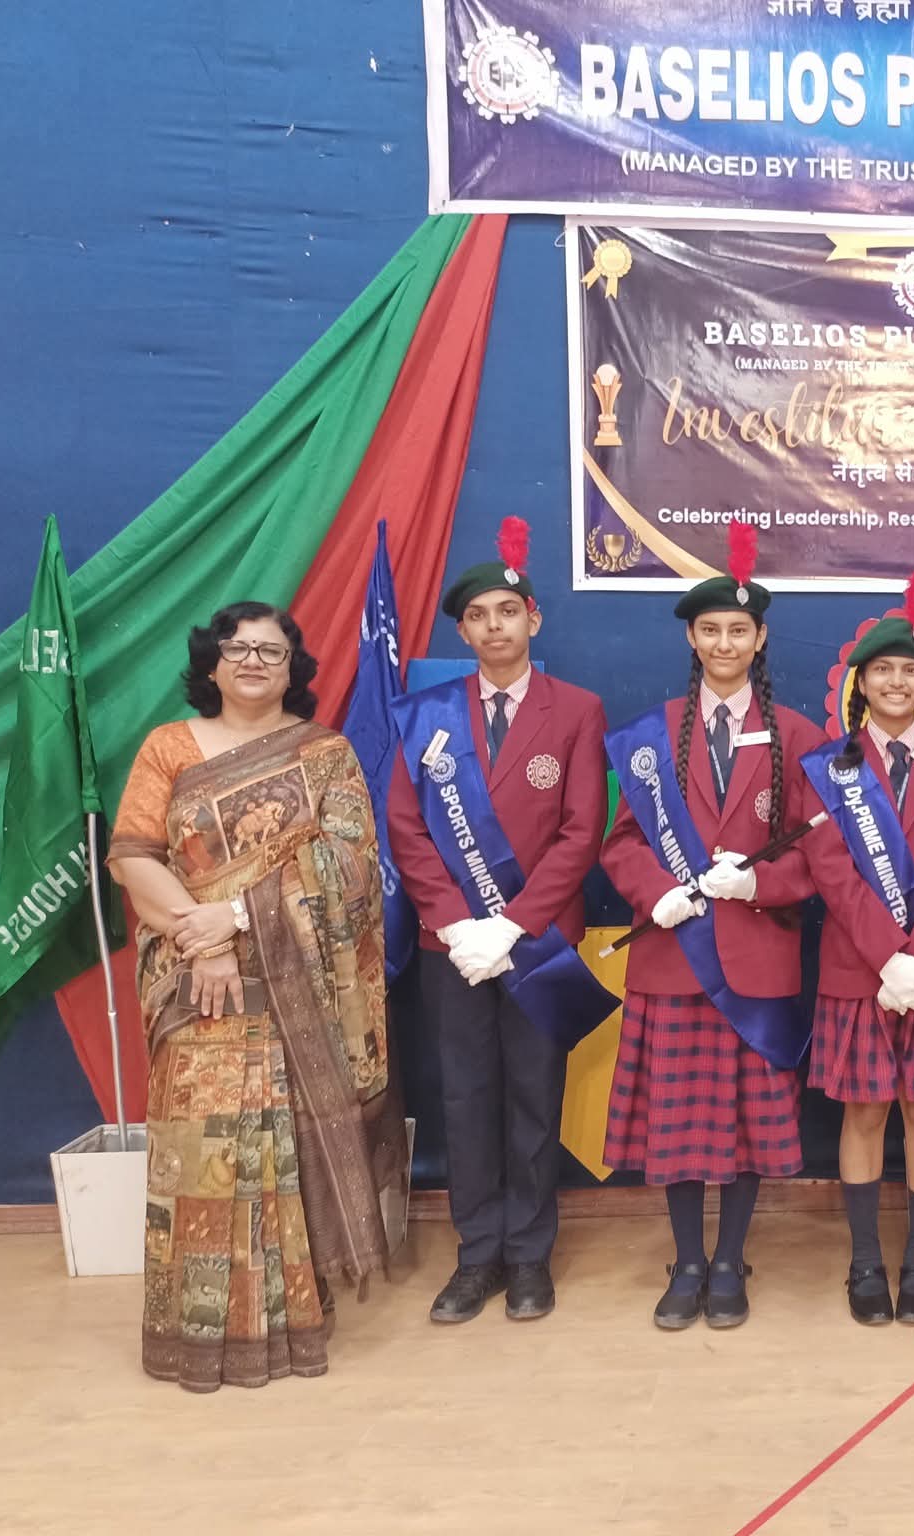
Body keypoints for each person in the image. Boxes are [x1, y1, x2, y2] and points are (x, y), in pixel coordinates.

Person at [111, 602, 407, 1391]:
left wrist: (238, 919)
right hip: (192, 982)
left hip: (297, 986)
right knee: (203, 1155)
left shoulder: (325, 755)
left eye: (270, 651)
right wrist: (203, 941)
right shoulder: (168, 748)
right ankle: (194, 1332)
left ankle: (293, 1322)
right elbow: (134, 857)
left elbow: (350, 869)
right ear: (210, 664)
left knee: (282, 1150)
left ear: (292, 668)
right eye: (237, 648)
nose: (252, 661)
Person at [601, 520, 827, 1330]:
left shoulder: (799, 735)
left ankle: (730, 1259)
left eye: (738, 629)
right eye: (710, 630)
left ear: (759, 638)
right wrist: (654, 890)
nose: (724, 642)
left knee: (747, 1125)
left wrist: (760, 881)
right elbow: (620, 842)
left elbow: (819, 856)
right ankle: (688, 1261)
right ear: (691, 640)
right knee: (678, 1124)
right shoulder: (650, 734)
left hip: (758, 961)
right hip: (674, 958)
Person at [388, 519, 609, 1326]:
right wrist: (456, 926)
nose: (494, 627)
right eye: (477, 616)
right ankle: (477, 1252)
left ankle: (529, 1256)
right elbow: (406, 829)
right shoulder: (424, 714)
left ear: (532, 619)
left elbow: (582, 832)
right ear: (462, 632)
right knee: (467, 1096)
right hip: (451, 950)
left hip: (538, 942)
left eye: (507, 612)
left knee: (534, 1097)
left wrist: (511, 926)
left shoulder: (577, 710)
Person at [800, 570, 914, 1326]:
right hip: (858, 974)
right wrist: (888, 959)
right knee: (866, 1114)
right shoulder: (828, 766)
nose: (898, 682)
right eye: (883, 670)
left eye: (911, 670)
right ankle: (866, 1261)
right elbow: (832, 874)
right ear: (861, 682)